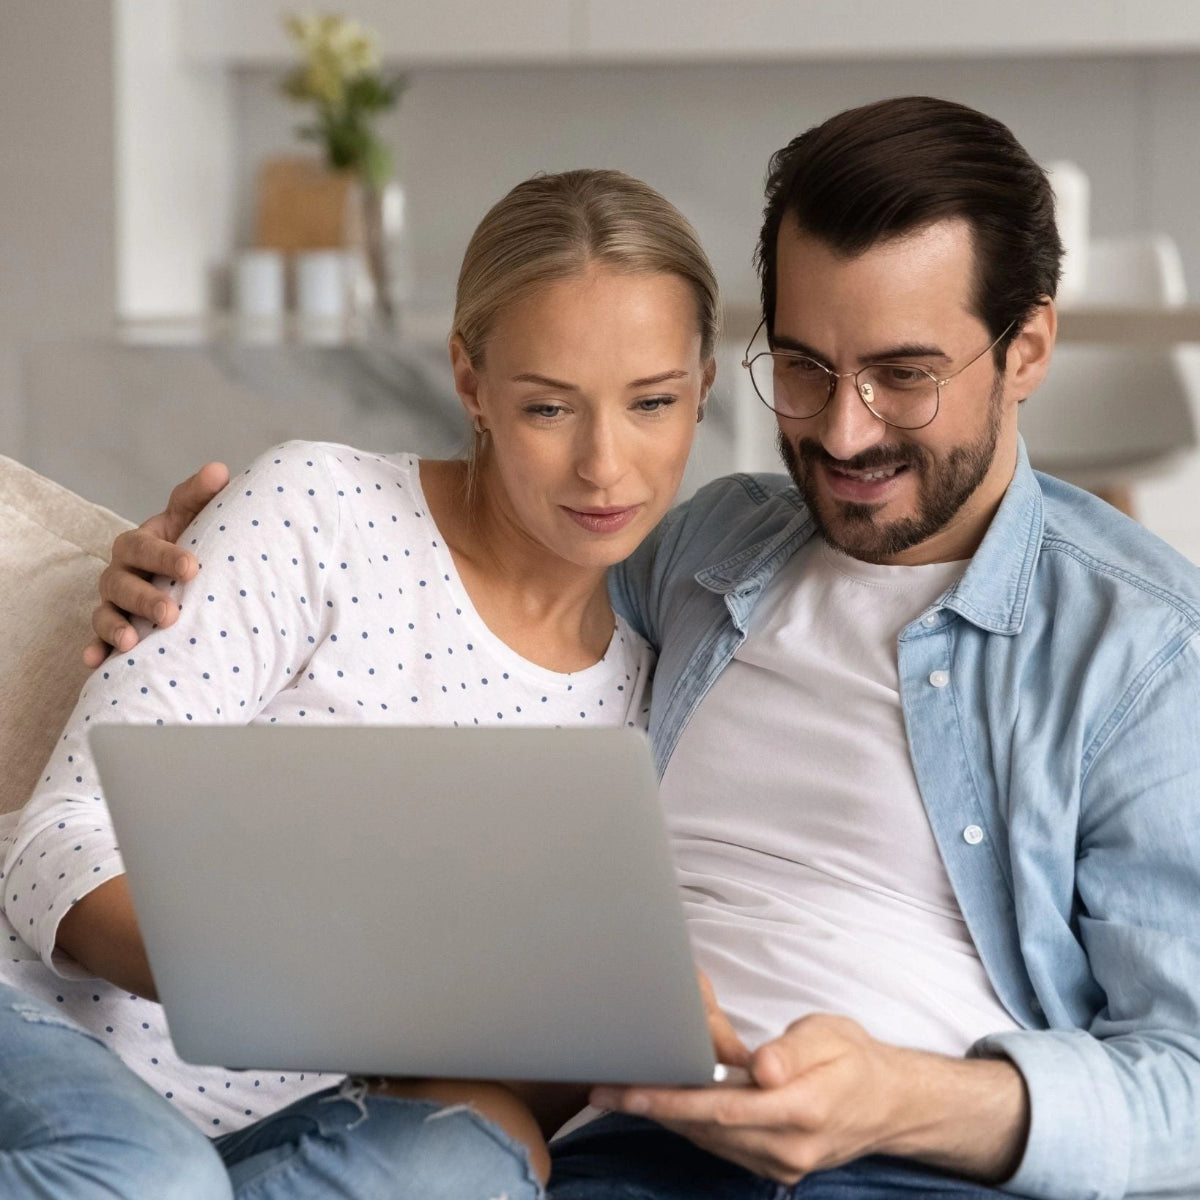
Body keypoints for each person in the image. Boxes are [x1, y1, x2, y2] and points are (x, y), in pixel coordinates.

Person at [101, 96, 1200, 1200]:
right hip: (615, 1155)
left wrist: (903, 1098)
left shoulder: (1142, 651)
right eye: (806, 367)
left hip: (910, 1169)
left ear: (1027, 350)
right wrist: (176, 572)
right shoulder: (705, 548)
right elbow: (483, 563)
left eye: (905, 376)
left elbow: (1187, 1085)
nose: (844, 430)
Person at [0, 167, 721, 1199]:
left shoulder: (656, 698)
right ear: (470, 383)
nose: (605, 465)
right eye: (549, 407)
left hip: (286, 1140)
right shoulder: (321, 511)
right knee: (155, 1176)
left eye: (653, 402)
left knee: (477, 1157)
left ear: (703, 386)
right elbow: (54, 844)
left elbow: (528, 1066)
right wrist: (297, 982)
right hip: (46, 1040)